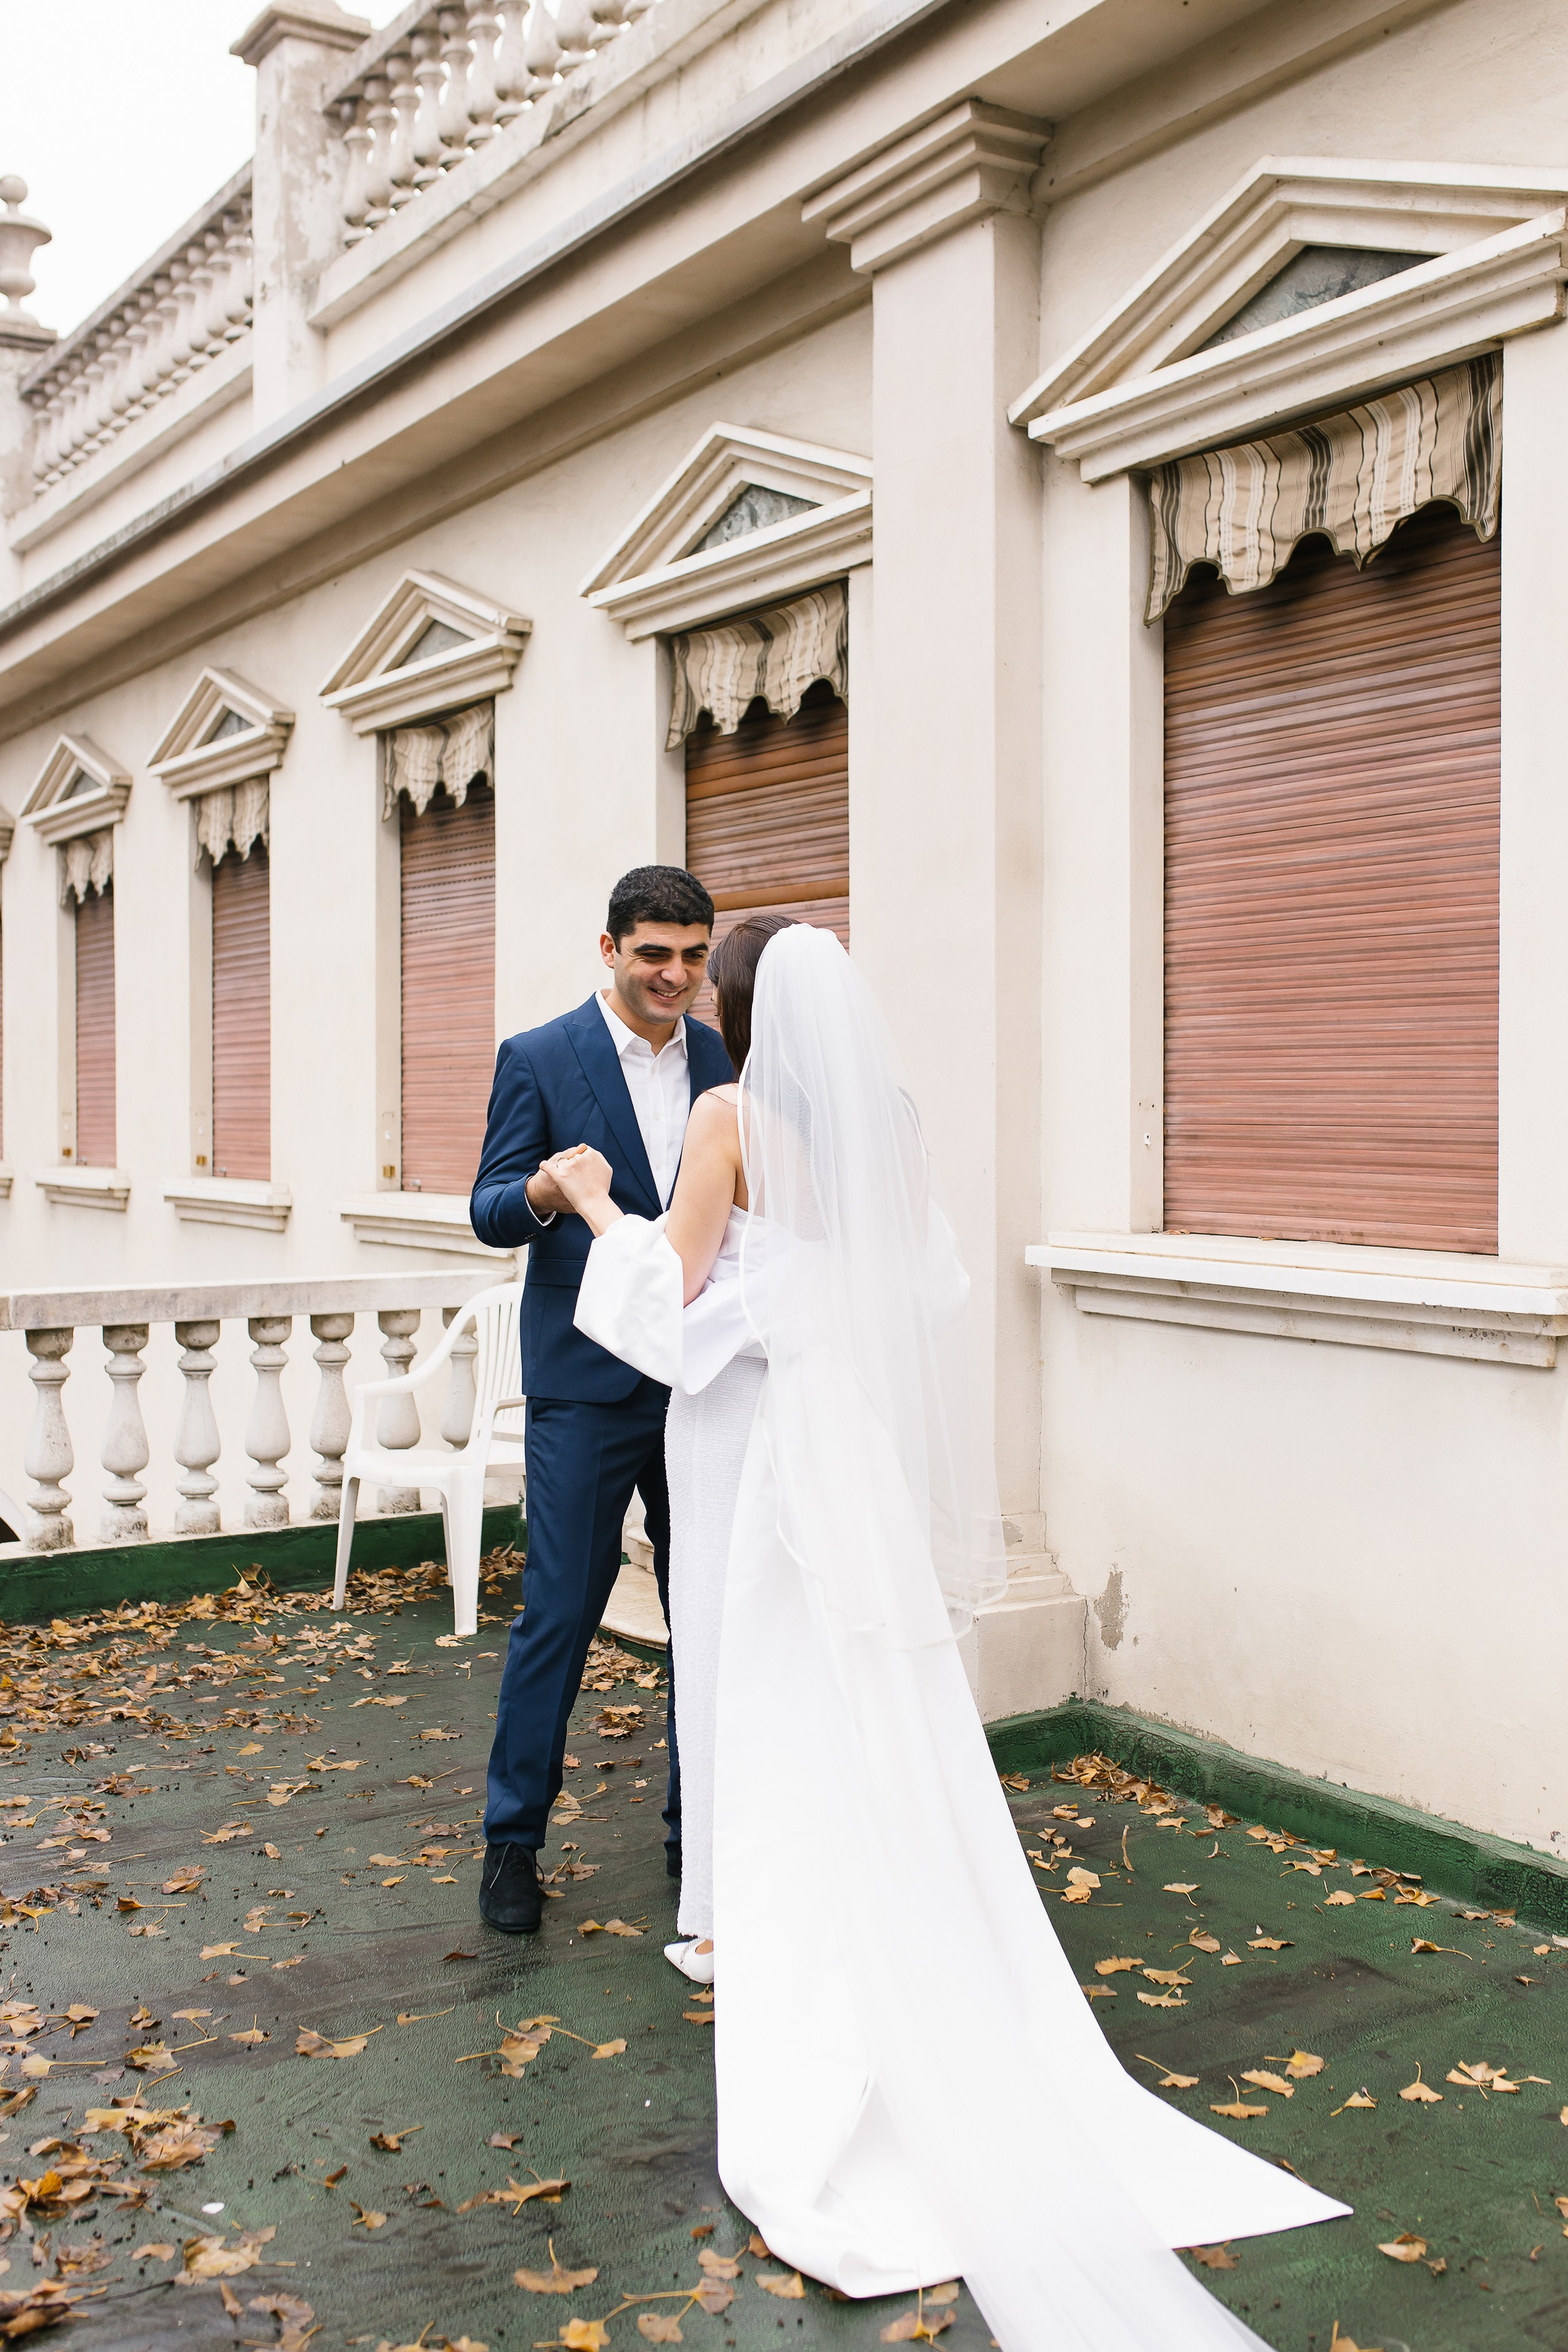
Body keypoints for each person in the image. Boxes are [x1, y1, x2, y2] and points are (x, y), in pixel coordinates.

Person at [540, 921, 1351, 2351]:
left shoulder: (727, 1115)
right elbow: (923, 1295)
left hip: (766, 1449)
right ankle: (886, 1919)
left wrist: (602, 1206)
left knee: (767, 1689)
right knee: (872, 1691)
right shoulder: (889, 1134)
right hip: (849, 1447)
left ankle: (761, 1934)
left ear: (730, 1006)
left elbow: (671, 1313)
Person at [468, 865, 734, 1936]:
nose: (675, 975)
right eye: (655, 953)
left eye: (693, 956)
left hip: (706, 1380)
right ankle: (512, 1844)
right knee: (561, 1614)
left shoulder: (724, 1056)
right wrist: (545, 1190)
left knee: (706, 1614)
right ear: (611, 948)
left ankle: (696, 1837)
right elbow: (490, 1208)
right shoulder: (537, 1056)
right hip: (586, 1385)